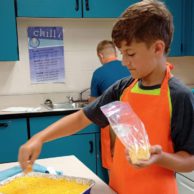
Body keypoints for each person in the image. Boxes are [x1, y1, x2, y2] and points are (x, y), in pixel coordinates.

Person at [18, 1, 194, 194]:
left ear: (158, 49)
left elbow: (189, 160)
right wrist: (39, 138)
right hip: (117, 189)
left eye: (131, 53)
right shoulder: (123, 88)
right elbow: (81, 118)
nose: (124, 62)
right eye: (122, 53)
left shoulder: (179, 96)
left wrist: (160, 158)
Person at [89, 40, 130, 171]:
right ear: (115, 53)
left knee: (112, 164)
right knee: (130, 161)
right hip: (132, 121)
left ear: (100, 55)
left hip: (110, 122)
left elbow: (93, 104)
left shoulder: (98, 73)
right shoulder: (130, 66)